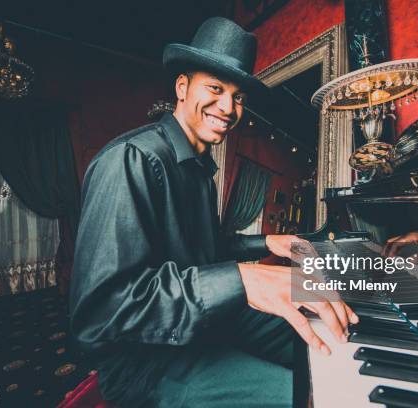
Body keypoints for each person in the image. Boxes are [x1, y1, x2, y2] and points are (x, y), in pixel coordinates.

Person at [69, 17, 358, 408]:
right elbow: (105, 309)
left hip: (206, 320)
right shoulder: (131, 159)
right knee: (308, 396)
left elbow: (205, 250)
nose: (228, 107)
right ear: (182, 87)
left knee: (330, 332)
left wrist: (266, 242)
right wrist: (245, 279)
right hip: (144, 361)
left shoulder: (202, 170)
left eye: (238, 96)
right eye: (216, 88)